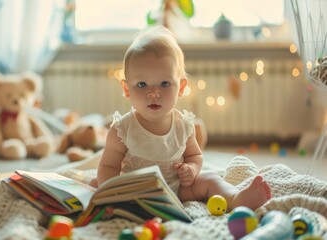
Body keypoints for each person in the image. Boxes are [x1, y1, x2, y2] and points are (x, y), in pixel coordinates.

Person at [91, 26, 271, 211]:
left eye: (164, 83)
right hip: (136, 192)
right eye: (142, 84)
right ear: (127, 89)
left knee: (210, 180)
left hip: (177, 188)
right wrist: (112, 193)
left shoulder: (183, 125)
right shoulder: (122, 129)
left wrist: (192, 169)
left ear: (182, 87)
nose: (153, 92)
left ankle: (235, 198)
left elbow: (195, 155)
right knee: (98, 182)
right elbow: (108, 166)